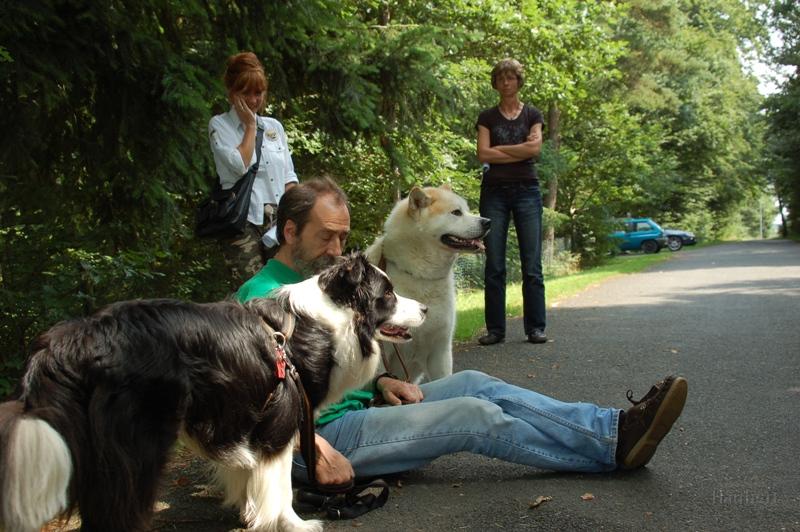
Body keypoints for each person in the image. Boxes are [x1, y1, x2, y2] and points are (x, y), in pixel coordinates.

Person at [236, 177, 689, 489]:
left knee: (477, 383)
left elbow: (334, 368)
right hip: (322, 436)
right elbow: (251, 400)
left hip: (361, 407)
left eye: (344, 237)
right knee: (473, 416)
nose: (338, 250)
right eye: (327, 237)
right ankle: (612, 453)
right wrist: (314, 448)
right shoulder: (261, 296)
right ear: (290, 231)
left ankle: (613, 429)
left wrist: (384, 381)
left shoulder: (326, 282)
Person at [209, 51, 298, 287]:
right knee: (253, 292)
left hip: (277, 222)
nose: (253, 100)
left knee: (283, 288)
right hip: (242, 221)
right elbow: (240, 165)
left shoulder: (274, 127)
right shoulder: (220, 125)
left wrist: (294, 218)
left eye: (258, 93)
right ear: (232, 92)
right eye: (245, 92)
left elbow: (289, 178)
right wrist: (249, 126)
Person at [476, 58, 547, 346]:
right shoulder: (487, 117)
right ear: (496, 83)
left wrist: (499, 149)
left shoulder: (532, 114)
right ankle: (496, 330)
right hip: (494, 192)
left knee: (532, 264)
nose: (506, 83)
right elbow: (483, 154)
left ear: (519, 81)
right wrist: (520, 151)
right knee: (494, 264)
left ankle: (536, 328)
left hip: (527, 191)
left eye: (511, 78)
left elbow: (536, 148)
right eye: (501, 78)